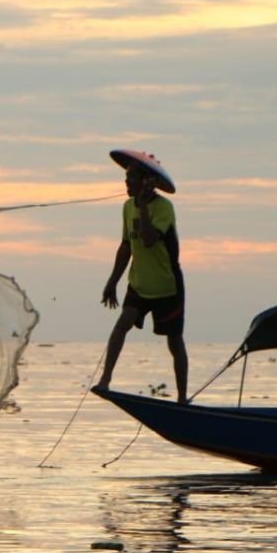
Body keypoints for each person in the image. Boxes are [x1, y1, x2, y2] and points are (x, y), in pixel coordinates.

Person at [94, 152, 188, 403]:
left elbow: (147, 239)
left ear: (146, 182)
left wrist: (145, 206)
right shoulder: (127, 207)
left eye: (131, 178)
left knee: (174, 341)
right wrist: (112, 281)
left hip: (167, 285)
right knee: (122, 324)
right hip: (139, 282)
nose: (126, 183)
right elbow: (126, 247)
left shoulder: (164, 208)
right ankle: (105, 380)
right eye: (126, 177)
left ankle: (182, 398)